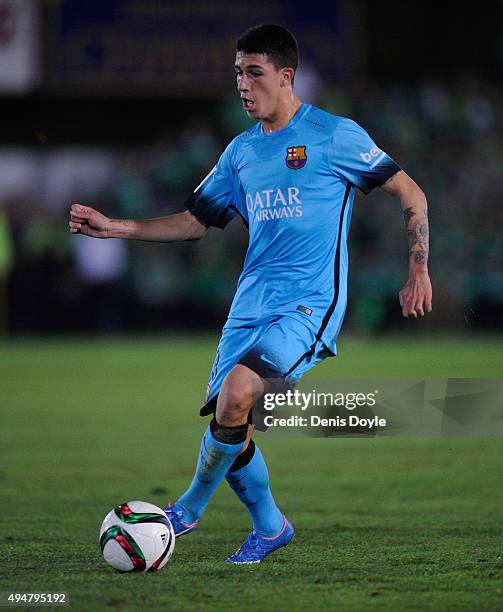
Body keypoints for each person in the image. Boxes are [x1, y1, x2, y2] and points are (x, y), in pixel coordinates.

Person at [69, 24, 432, 564]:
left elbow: (411, 193)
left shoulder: (335, 135)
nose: (242, 83)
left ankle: (186, 510)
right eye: (238, 72)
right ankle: (270, 527)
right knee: (228, 417)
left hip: (308, 305)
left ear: (286, 77)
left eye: (254, 72)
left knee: (238, 392)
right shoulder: (240, 152)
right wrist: (116, 228)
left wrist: (418, 269)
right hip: (250, 305)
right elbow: (196, 222)